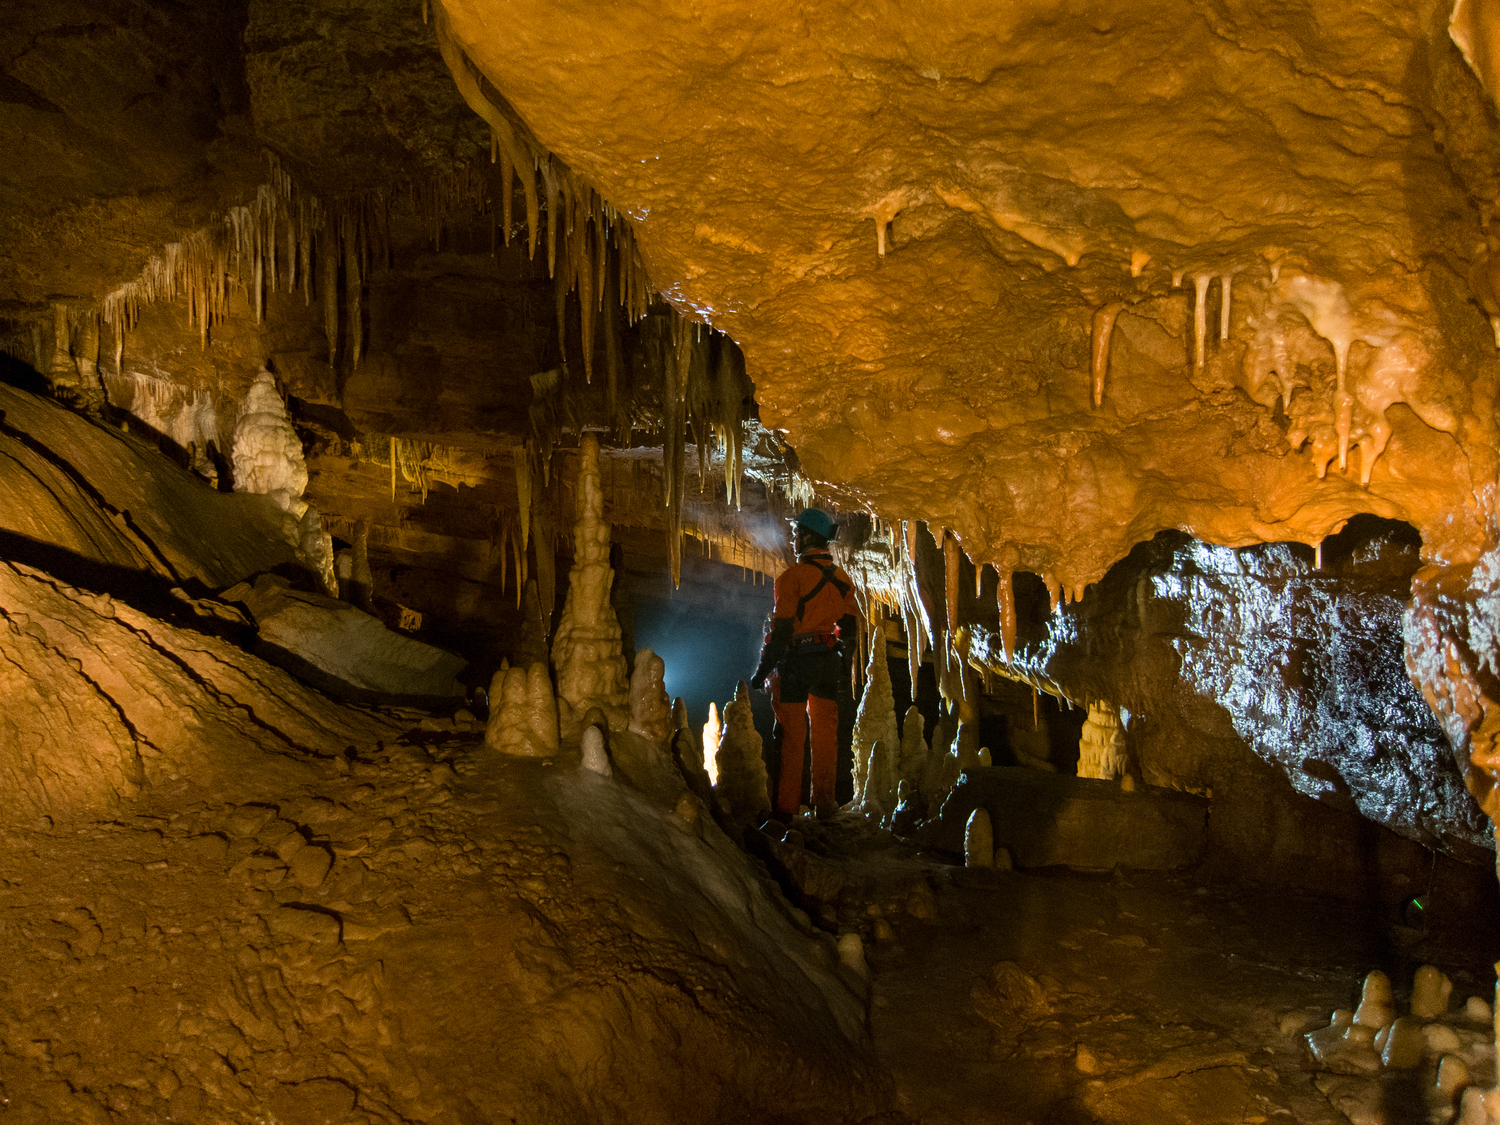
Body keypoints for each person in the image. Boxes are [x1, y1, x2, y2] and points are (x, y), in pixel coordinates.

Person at [750, 508, 862, 816]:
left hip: (796, 665)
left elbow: (782, 630)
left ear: (809, 537)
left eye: (798, 533)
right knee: (826, 737)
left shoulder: (791, 578)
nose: (794, 538)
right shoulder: (842, 579)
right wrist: (838, 657)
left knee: (791, 738)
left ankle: (786, 811)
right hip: (827, 663)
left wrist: (762, 672)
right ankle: (824, 805)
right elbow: (848, 628)